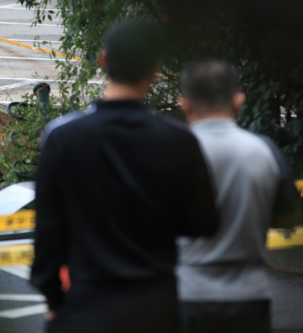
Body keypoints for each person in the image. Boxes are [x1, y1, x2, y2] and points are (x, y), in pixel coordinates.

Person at [31, 20, 219, 333]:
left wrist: (52, 300)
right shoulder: (178, 139)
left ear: (103, 60)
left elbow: (48, 233)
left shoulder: (62, 138)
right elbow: (204, 223)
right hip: (156, 307)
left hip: (86, 306)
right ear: (155, 68)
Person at [177, 60, 300, 333]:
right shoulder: (264, 151)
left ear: (184, 104)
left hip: (187, 294)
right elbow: (287, 219)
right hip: (249, 296)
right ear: (238, 101)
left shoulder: (166, 153)